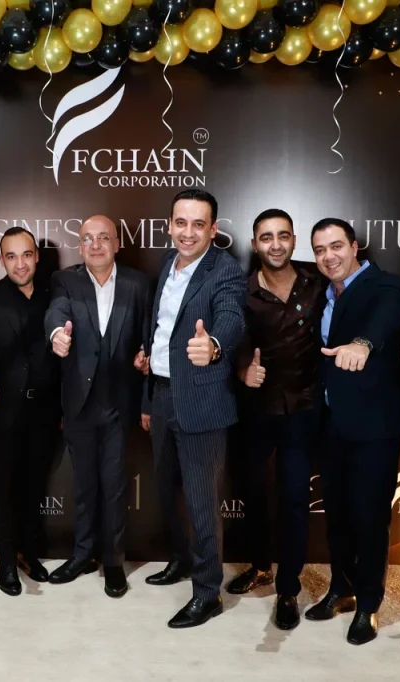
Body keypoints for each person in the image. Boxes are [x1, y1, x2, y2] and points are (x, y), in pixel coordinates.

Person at [140, 189, 247, 629]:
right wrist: (148, 389)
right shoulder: (168, 262)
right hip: (162, 394)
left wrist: (215, 345)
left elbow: (232, 317)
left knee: (202, 503)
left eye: (198, 224)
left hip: (201, 400)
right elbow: (159, 328)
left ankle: (207, 593)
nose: (188, 232)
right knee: (168, 492)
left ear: (213, 229)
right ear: (170, 225)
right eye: (180, 223)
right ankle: (182, 560)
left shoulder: (225, 270)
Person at [305, 218, 400, 645]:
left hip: (374, 426)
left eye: (336, 246)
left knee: (369, 518)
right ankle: (342, 588)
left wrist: (363, 344)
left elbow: (387, 317)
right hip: (331, 422)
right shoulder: (324, 294)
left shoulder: (386, 285)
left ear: (354, 247)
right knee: (338, 515)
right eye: (319, 249)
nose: (328, 256)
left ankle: (369, 604)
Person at [44, 215, 151, 598]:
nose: (95, 245)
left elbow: (150, 334)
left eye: (103, 237)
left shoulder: (139, 283)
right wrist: (56, 335)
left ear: (117, 243)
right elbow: (56, 312)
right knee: (85, 486)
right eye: (87, 238)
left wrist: (146, 355)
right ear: (80, 246)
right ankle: (82, 555)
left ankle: (113, 561)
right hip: (79, 403)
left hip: (120, 404)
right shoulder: (65, 280)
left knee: (115, 487)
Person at [230, 209, 326, 630]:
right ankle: (259, 566)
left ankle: (288, 588)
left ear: (293, 240)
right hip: (256, 407)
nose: (275, 244)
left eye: (282, 235)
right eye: (266, 237)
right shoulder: (241, 290)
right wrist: (243, 371)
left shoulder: (316, 280)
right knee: (255, 493)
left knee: (293, 500)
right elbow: (233, 341)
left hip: (304, 408)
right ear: (255, 244)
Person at [0, 227, 60, 596]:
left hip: (45, 412)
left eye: (26, 255)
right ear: (2, 260)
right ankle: (7, 563)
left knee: (34, 487)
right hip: (4, 413)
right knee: (5, 491)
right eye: (11, 256)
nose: (20, 263)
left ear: (36, 256)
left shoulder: (54, 295)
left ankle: (28, 553)